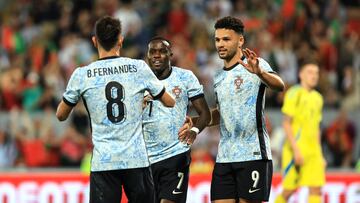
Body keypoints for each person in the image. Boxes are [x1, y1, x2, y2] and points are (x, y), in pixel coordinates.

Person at [56, 16, 175, 203]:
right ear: (121, 39)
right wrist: (141, 100)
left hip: (104, 162)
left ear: (95, 41)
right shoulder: (138, 67)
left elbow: (61, 115)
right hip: (136, 160)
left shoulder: (82, 75)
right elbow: (169, 102)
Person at [180, 16, 285, 203]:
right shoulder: (219, 76)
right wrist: (195, 122)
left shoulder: (255, 64)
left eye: (226, 39)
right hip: (224, 157)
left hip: (253, 154)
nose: (220, 44)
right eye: (217, 39)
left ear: (240, 40)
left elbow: (279, 85)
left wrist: (260, 73)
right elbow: (221, 113)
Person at [143, 36, 211, 203]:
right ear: (148, 55)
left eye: (162, 51)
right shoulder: (138, 81)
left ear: (170, 54)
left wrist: (194, 131)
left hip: (176, 154)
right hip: (143, 158)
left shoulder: (185, 78)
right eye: (153, 52)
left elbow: (205, 113)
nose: (157, 56)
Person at [275, 63, 326, 203]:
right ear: (301, 75)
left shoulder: (318, 98)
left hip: (313, 151)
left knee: (316, 188)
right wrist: (296, 150)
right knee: (289, 190)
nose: (314, 75)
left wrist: (320, 154)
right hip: (295, 149)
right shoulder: (294, 93)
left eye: (316, 72)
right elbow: (286, 123)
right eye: (310, 72)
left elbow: (316, 128)